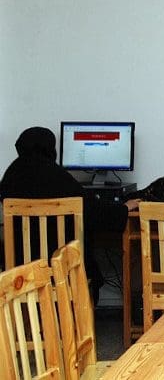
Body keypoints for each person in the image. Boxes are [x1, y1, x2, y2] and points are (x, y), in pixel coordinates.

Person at [0, 126, 137, 299]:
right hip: (63, 273)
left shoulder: (11, 176)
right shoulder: (58, 177)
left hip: (20, 276)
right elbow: (96, 214)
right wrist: (124, 208)